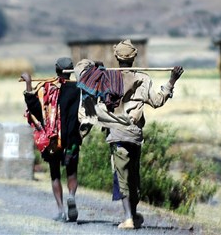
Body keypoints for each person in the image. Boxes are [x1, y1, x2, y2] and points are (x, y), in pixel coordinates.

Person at [73, 39, 184, 229]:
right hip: (135, 134)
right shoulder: (143, 79)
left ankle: (129, 218)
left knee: (121, 176)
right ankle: (133, 214)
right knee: (133, 176)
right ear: (134, 58)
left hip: (117, 134)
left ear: (116, 57)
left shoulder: (105, 78)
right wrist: (172, 80)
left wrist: (93, 65)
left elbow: (80, 70)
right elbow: (157, 101)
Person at [21, 57, 89, 223]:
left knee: (54, 174)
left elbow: (34, 108)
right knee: (71, 171)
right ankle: (71, 196)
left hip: (53, 141)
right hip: (72, 138)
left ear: (56, 70)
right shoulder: (79, 89)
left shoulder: (47, 89)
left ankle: (60, 210)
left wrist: (28, 83)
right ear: (71, 71)